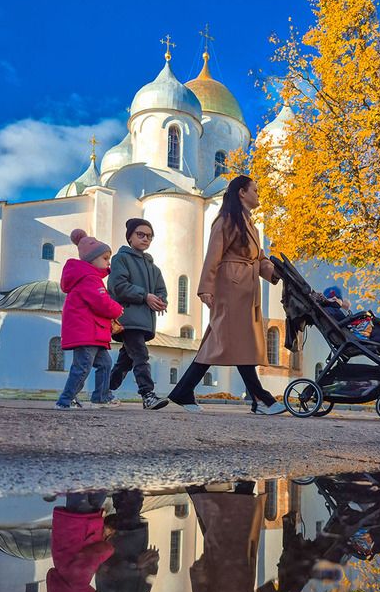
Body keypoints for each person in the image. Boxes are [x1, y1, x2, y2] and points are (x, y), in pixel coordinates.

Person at [168, 177, 285, 415]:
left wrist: (278, 273)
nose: (258, 194)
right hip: (230, 287)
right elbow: (213, 255)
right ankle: (260, 397)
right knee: (228, 339)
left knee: (238, 341)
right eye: (255, 190)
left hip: (245, 289)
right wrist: (206, 288)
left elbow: (259, 259)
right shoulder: (226, 220)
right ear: (242, 192)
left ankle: (185, 390)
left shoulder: (249, 224)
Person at [55, 229, 124, 410]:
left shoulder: (87, 278)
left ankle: (101, 397)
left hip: (92, 333)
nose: (108, 262)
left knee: (105, 363)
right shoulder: (89, 279)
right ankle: (65, 400)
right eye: (105, 258)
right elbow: (101, 302)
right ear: (92, 259)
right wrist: (117, 309)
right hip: (87, 333)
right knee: (82, 367)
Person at [107, 218, 168, 410]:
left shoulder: (153, 267)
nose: (145, 239)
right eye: (140, 234)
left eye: (149, 236)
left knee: (125, 362)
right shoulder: (121, 259)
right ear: (130, 237)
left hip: (145, 321)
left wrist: (160, 300)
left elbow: (161, 290)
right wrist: (145, 296)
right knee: (141, 355)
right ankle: (147, 395)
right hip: (127, 318)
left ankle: (104, 390)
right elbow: (118, 286)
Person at [95, 489, 159, 592]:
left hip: (120, 540)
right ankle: (124, 474)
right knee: (130, 500)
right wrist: (153, 561)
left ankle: (125, 472)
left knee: (130, 498)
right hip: (134, 536)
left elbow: (105, 573)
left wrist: (135, 565)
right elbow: (148, 579)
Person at [46, 492, 114, 592]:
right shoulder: (67, 585)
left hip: (80, 529)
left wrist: (109, 549)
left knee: (81, 487)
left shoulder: (77, 583)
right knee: (87, 490)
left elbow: (91, 557)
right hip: (76, 528)